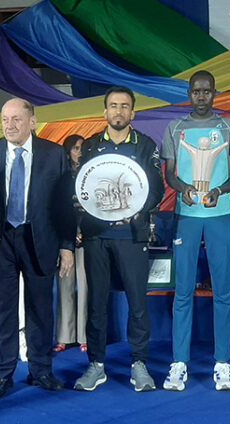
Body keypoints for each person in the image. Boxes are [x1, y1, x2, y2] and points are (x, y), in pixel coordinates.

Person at [0, 98, 74, 400]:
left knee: (41, 310)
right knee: (3, 311)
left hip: (40, 240)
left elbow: (64, 206)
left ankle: (41, 370)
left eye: (16, 119)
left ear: (32, 122)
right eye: (5, 119)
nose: (9, 126)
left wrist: (66, 247)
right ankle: (1, 374)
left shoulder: (54, 154)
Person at [161, 70, 230, 392]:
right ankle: (179, 364)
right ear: (189, 93)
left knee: (223, 292)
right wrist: (182, 188)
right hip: (186, 216)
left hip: (219, 215)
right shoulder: (175, 128)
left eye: (206, 91)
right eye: (196, 91)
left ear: (215, 93)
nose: (201, 96)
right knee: (183, 291)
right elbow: (170, 175)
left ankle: (222, 364)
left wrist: (220, 190)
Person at [72, 86, 164, 392]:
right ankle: (96, 365)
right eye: (113, 105)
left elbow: (157, 190)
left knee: (137, 303)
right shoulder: (90, 145)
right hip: (96, 235)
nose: (119, 111)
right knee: (96, 303)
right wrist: (79, 202)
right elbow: (80, 185)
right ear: (105, 111)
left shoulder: (145, 145)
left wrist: (138, 210)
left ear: (132, 112)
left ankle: (139, 364)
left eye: (124, 106)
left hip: (132, 236)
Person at [54, 134, 88, 353]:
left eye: (82, 148)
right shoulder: (61, 176)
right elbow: (57, 209)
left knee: (85, 286)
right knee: (65, 285)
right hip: (64, 237)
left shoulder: (91, 173)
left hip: (87, 236)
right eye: (76, 148)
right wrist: (68, 233)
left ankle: (85, 335)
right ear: (68, 152)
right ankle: (64, 337)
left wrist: (83, 231)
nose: (79, 152)